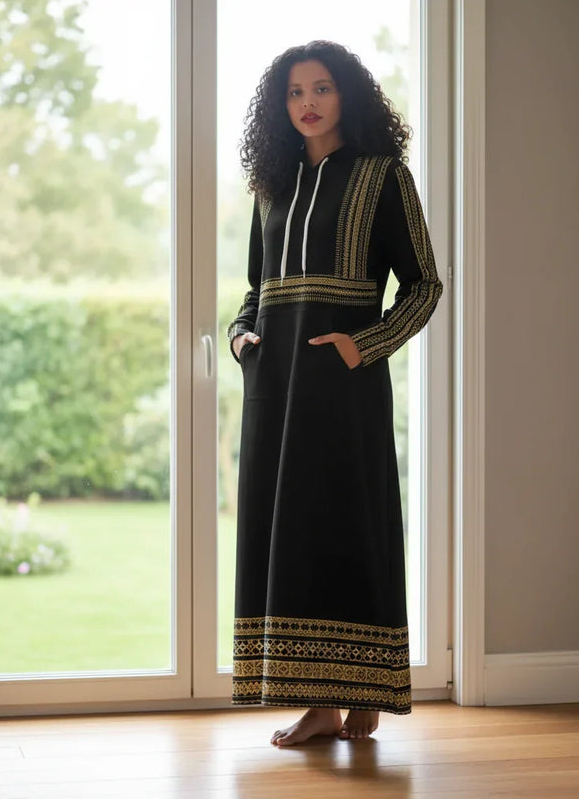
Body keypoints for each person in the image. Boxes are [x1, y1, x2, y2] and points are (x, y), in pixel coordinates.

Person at [227, 40, 442, 747]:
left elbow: (423, 286)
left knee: (345, 526)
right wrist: (242, 339)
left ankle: (364, 698)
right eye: (294, 93)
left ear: (347, 93)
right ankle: (318, 706)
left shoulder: (384, 177)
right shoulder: (274, 185)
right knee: (286, 535)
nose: (308, 102)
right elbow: (256, 291)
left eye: (321, 87)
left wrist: (363, 345)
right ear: (280, 107)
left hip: (343, 391)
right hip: (276, 389)